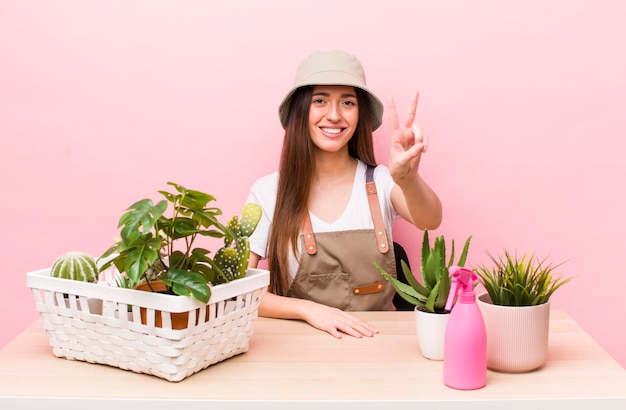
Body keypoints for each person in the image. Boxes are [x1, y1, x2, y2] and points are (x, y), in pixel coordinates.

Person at [246, 50, 442, 339]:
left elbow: (431, 219)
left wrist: (408, 179)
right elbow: (236, 290)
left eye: (347, 102)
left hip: (379, 343)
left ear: (359, 113)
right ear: (301, 110)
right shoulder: (268, 192)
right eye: (320, 101)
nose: (335, 115)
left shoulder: (383, 182)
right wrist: (307, 310)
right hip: (295, 349)